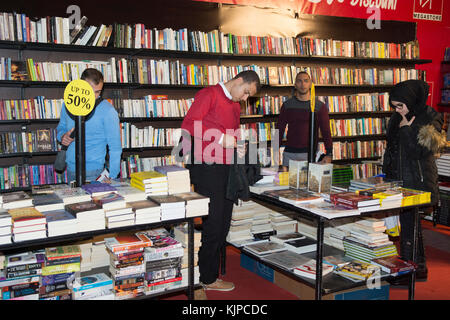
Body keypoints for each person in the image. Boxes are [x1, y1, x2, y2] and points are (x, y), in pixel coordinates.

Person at [180, 70, 260, 296]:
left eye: (249, 97)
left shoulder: (235, 104)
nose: (245, 100)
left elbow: (230, 135)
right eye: (246, 92)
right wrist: (221, 138)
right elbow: (189, 126)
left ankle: (208, 275)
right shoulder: (209, 94)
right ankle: (204, 278)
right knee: (213, 226)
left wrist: (238, 145)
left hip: (227, 169)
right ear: (238, 81)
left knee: (223, 225)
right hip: (207, 168)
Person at [383, 79, 446, 285]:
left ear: (411, 100)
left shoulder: (431, 118)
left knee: (410, 225)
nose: (398, 110)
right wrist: (387, 175)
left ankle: (411, 271)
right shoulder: (397, 117)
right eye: (394, 107)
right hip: (399, 180)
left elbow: (419, 152)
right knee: (410, 225)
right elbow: (391, 149)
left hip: (418, 182)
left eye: (400, 106)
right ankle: (417, 268)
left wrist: (408, 129)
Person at [56, 68, 122, 183]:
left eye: (98, 92)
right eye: (90, 91)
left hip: (95, 172)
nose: (94, 96)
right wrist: (62, 137)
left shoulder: (108, 111)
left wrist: (112, 176)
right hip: (71, 169)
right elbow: (60, 128)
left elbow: (115, 147)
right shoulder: (68, 104)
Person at [276, 71, 333, 168]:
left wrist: (329, 154)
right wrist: (273, 152)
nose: (303, 84)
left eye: (306, 81)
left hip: (311, 155)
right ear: (295, 85)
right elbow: (279, 130)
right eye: (299, 81)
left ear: (310, 84)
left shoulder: (319, 106)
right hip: (290, 154)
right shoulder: (287, 105)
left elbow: (326, 131)